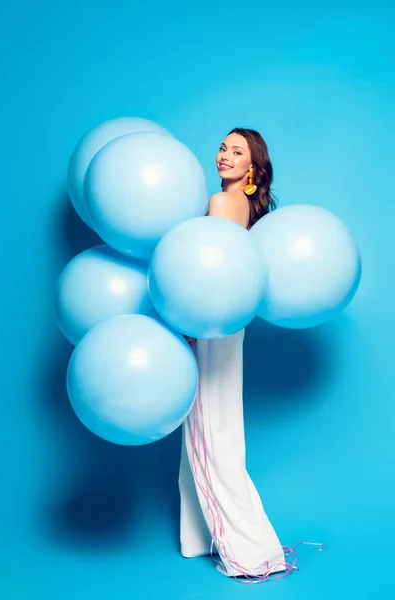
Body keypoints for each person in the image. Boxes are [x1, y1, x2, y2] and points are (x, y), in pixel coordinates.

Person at [178, 128, 291, 582]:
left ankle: (251, 553)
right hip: (230, 325)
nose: (225, 156)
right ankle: (198, 537)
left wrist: (186, 329)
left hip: (210, 322)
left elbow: (211, 272)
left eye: (237, 152)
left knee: (209, 430)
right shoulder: (246, 207)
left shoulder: (222, 203)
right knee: (216, 425)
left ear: (252, 169)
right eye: (223, 147)